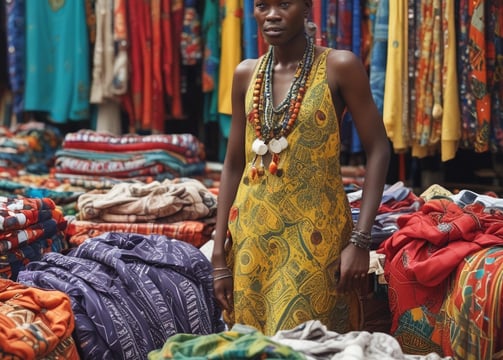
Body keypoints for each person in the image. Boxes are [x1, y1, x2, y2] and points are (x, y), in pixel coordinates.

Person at [211, 0, 390, 336]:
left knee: (305, 344)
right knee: (252, 345)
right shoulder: (245, 74)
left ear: (306, 8)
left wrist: (360, 241)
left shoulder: (339, 66)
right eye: (263, 5)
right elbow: (235, 163)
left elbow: (379, 149)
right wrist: (219, 254)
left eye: (284, 5)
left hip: (315, 241)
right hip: (251, 239)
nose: (273, 15)